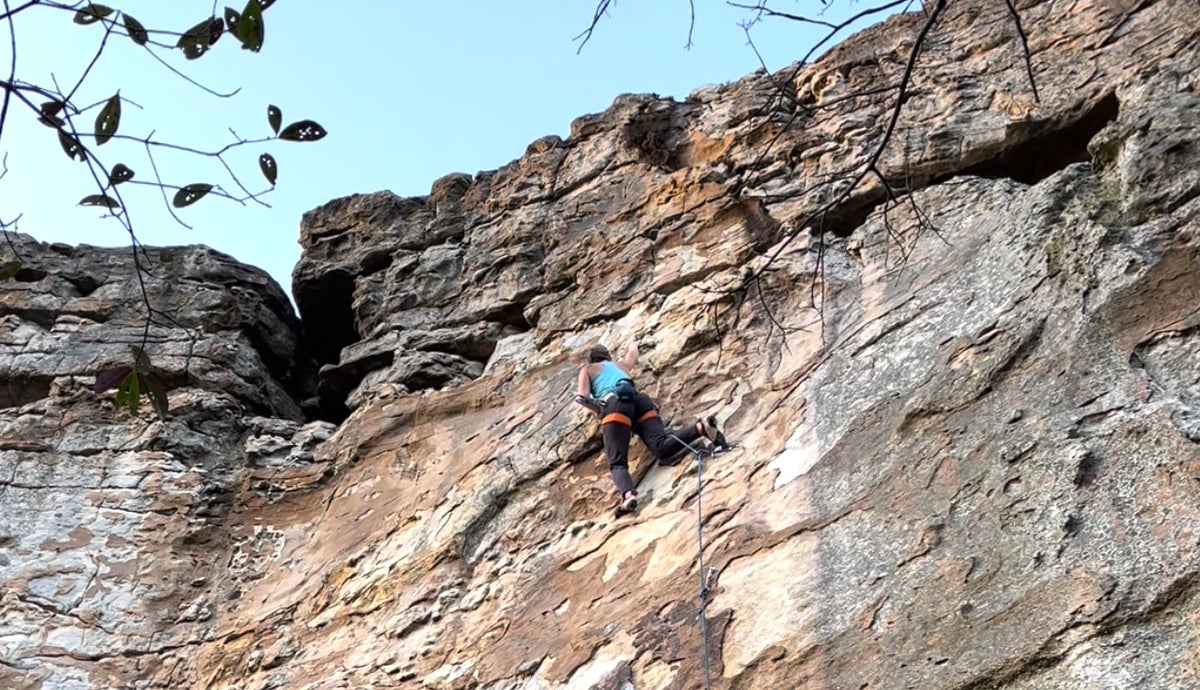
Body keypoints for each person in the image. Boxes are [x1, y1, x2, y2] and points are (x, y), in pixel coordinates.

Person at [573, 342, 727, 513]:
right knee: (661, 446)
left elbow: (583, 398)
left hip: (615, 406)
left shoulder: (588, 369)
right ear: (607, 357)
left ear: (590, 359)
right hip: (641, 402)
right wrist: (633, 345)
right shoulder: (620, 365)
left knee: (617, 463)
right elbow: (633, 356)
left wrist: (599, 410)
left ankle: (628, 495)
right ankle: (700, 428)